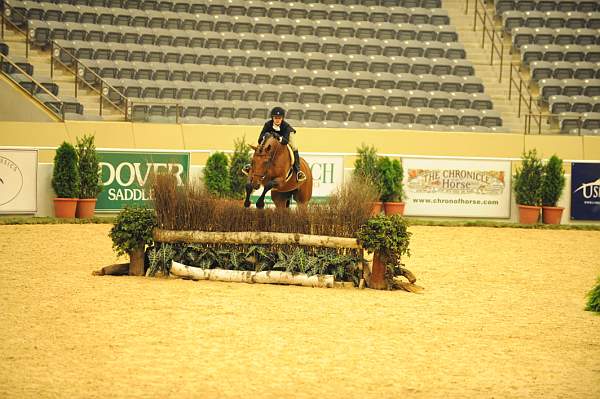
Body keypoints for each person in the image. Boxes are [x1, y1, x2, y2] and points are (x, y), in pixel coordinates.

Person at [244, 106, 306, 182]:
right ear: (272, 118)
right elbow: (259, 139)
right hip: (271, 140)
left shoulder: (286, 126)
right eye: (275, 118)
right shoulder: (267, 124)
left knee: (294, 147)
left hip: (285, 137)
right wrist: (266, 136)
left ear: (282, 118)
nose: (277, 120)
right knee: (259, 147)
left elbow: (285, 141)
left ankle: (298, 171)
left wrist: (278, 137)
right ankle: (251, 166)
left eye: (279, 118)